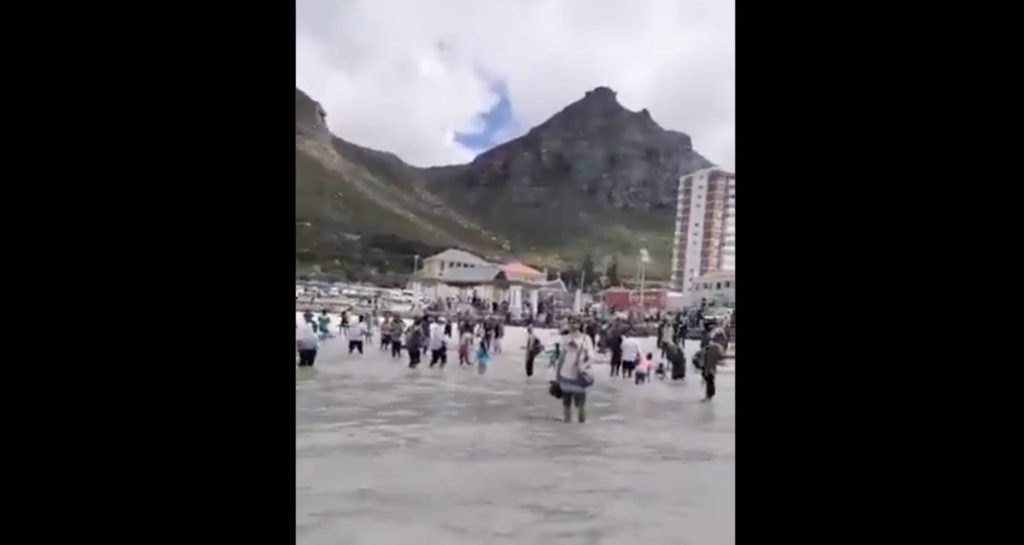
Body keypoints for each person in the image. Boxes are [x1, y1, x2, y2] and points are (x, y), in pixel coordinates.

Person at [555, 327, 593, 423]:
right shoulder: (581, 339)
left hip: (571, 376)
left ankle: (570, 428)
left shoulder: (583, 339)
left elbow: (561, 359)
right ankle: (578, 429)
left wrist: (557, 376)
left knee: (571, 406)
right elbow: (591, 357)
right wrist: (583, 367)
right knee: (576, 406)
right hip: (572, 376)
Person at [700, 337, 730, 401]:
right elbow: (720, 357)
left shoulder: (711, 347)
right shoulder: (716, 347)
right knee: (710, 381)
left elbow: (704, 356)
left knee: (709, 382)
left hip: (708, 367)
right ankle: (709, 395)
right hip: (710, 367)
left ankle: (709, 395)